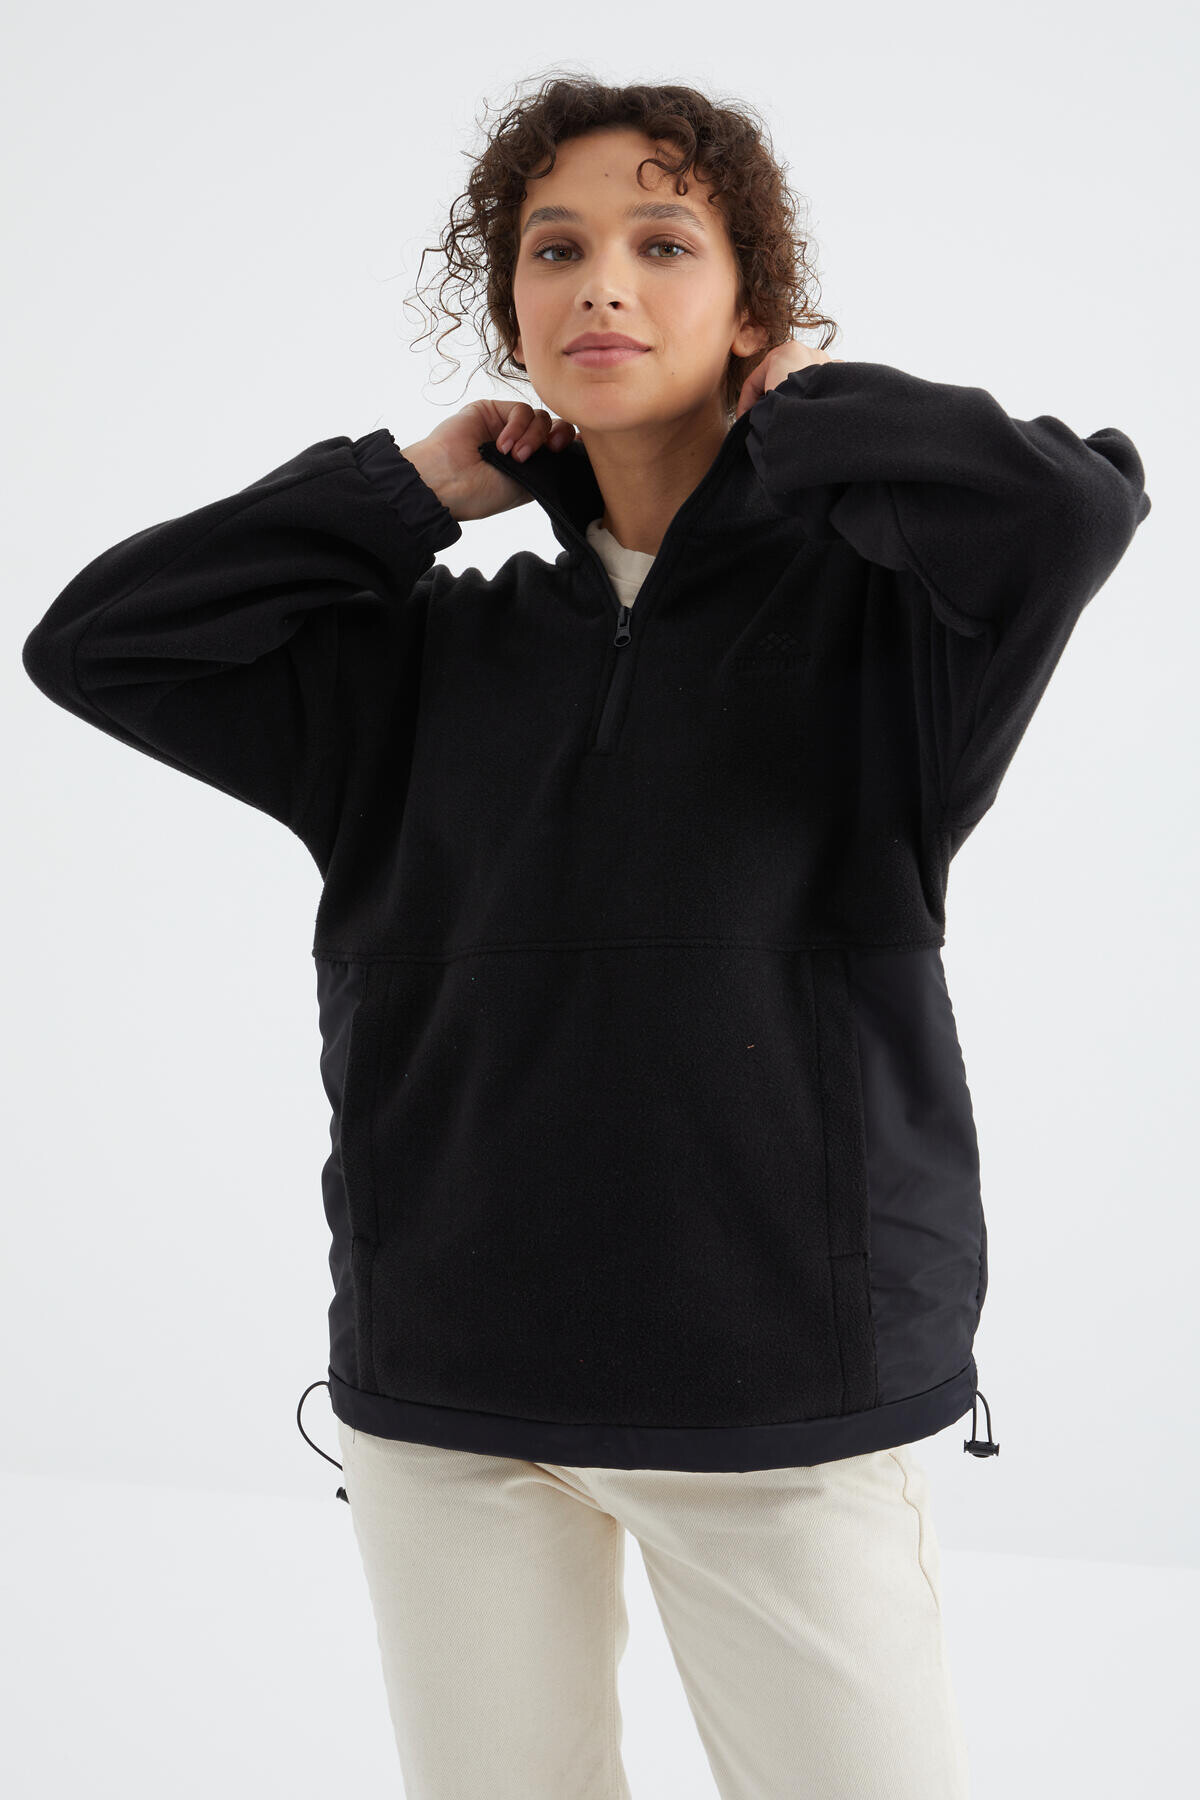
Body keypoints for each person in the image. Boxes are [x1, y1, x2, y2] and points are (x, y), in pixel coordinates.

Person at [23, 76, 1150, 1800]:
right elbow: (98, 644)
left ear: (755, 311)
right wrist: (404, 494)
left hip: (780, 1396)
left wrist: (812, 411)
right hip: (453, 1394)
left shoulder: (897, 630)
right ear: (514, 311)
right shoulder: (419, 659)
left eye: (663, 242)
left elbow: (1076, 509)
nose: (601, 283)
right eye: (556, 250)